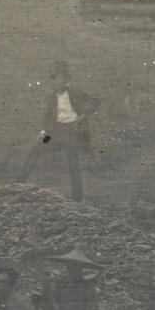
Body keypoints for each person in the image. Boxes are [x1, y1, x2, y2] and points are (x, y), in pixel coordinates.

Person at [20, 60, 100, 203]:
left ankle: (77, 200)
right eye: (56, 78)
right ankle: (18, 186)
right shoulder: (51, 97)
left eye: (61, 78)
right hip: (55, 133)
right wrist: (44, 132)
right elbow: (47, 116)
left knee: (73, 164)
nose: (58, 81)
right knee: (35, 150)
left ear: (66, 80)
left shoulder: (75, 92)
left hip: (72, 132)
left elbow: (95, 101)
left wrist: (82, 116)